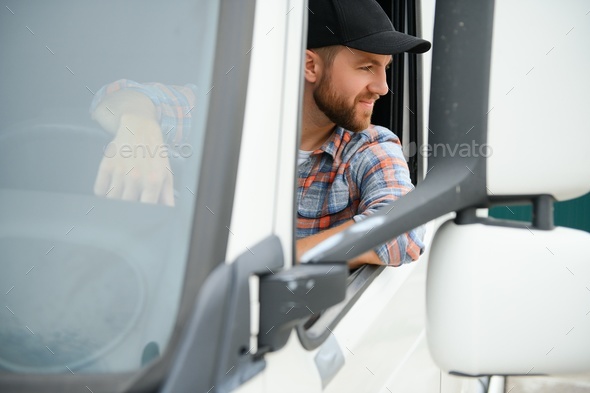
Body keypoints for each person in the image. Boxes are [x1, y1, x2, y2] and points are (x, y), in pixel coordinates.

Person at [90, 0, 431, 268]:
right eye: (366, 67)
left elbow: (403, 231)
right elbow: (114, 96)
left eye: (385, 69)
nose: (383, 88)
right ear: (310, 65)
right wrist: (139, 127)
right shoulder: (228, 114)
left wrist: (265, 266)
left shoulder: (369, 148)